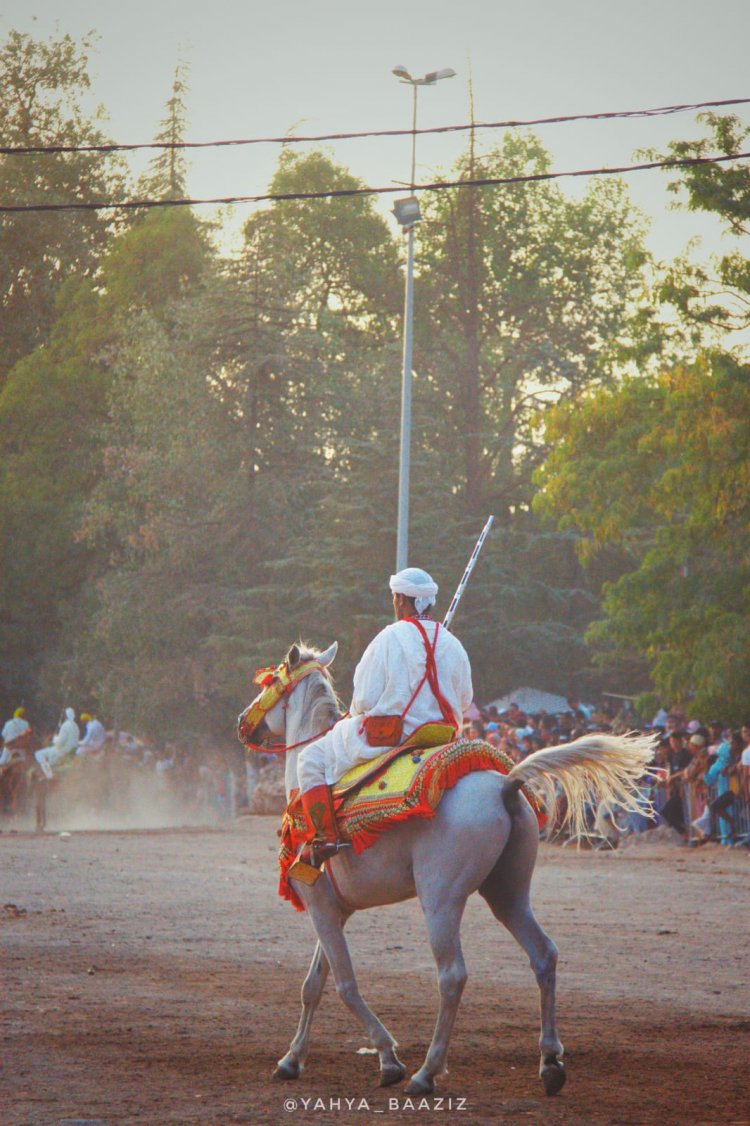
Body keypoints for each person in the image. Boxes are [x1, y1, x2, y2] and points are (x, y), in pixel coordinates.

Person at [294, 567, 473, 865]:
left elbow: (363, 698)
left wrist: (355, 714)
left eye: (394, 597)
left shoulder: (389, 637)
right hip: (442, 737)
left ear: (402, 600)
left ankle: (324, 838)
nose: (393, 603)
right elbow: (465, 699)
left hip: (391, 736)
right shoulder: (452, 644)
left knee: (310, 759)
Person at [35, 708, 80, 780]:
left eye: (64, 715)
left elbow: (61, 742)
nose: (63, 716)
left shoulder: (65, 725)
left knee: (38, 753)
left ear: (66, 716)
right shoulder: (76, 726)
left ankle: (48, 774)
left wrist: (54, 739)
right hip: (73, 749)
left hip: (63, 750)